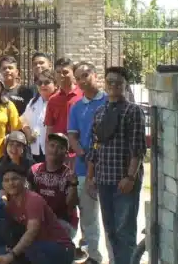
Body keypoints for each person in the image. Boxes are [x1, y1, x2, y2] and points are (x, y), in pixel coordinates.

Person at [86, 66, 146, 264]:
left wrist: (130, 177)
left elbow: (137, 148)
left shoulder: (133, 111)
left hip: (124, 181)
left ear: (125, 85)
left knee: (125, 231)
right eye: (109, 81)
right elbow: (95, 147)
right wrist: (90, 176)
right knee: (110, 230)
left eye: (117, 82)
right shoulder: (100, 112)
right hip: (104, 179)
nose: (113, 86)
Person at [67, 62, 106, 264]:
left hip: (109, 168)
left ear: (95, 74)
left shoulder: (109, 101)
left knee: (110, 216)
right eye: (78, 78)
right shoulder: (76, 107)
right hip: (84, 168)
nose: (82, 81)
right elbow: (72, 135)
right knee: (89, 215)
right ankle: (94, 256)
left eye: (86, 75)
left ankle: (116, 258)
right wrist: (82, 152)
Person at [0, 165, 75, 264]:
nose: (11, 183)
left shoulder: (33, 199)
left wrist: (12, 255)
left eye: (14, 178)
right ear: (2, 184)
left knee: (28, 248)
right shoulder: (8, 200)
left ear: (24, 180)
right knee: (2, 248)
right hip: (39, 246)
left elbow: (32, 232)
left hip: (61, 248)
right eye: (6, 180)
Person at [29, 133, 79, 243]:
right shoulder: (34, 170)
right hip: (39, 220)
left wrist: (74, 184)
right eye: (52, 145)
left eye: (60, 147)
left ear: (66, 154)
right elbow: (29, 200)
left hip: (63, 222)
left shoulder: (69, 175)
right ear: (46, 147)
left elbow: (71, 205)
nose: (55, 150)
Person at [44, 58, 82, 144]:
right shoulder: (53, 100)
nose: (61, 75)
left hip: (79, 149)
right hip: (59, 150)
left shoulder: (83, 95)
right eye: (58, 72)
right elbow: (49, 129)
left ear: (73, 74)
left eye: (65, 72)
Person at [23, 72, 58, 163]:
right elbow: (24, 120)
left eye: (46, 82)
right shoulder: (33, 102)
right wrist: (28, 134)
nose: (42, 85)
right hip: (35, 150)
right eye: (39, 83)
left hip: (53, 150)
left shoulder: (58, 102)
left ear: (56, 85)